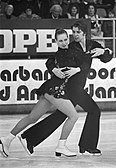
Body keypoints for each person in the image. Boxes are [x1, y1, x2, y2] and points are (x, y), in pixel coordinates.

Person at [9, 20, 112, 156]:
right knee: (94, 111)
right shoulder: (71, 47)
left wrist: (105, 50)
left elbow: (106, 58)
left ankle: (30, 138)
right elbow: (52, 59)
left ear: (84, 33)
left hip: (79, 85)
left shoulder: (93, 45)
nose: (75, 35)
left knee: (61, 116)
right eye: (73, 32)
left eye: (78, 32)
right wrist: (54, 69)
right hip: (72, 87)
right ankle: (87, 146)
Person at [0, 28, 84, 158]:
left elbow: (84, 61)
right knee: (73, 116)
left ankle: (7, 139)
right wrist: (54, 70)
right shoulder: (56, 56)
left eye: (65, 39)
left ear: (69, 39)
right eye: (60, 40)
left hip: (54, 90)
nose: (63, 43)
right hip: (54, 90)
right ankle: (61, 146)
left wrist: (77, 69)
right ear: (56, 41)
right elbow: (50, 63)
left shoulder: (75, 52)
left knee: (32, 118)